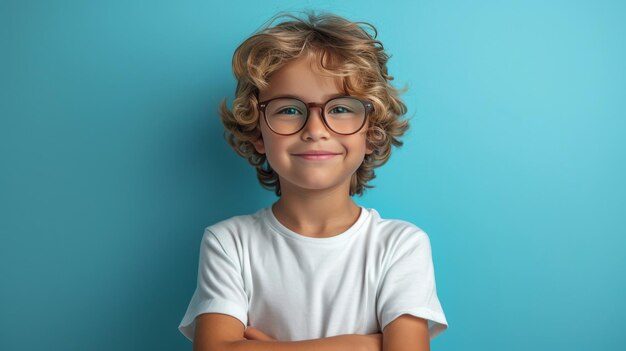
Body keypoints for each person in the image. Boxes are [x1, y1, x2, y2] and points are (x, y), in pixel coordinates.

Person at [178, 11, 448, 351]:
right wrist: (366, 345)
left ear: (371, 132)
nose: (315, 130)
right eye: (289, 109)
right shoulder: (229, 242)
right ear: (257, 132)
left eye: (340, 108)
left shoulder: (400, 245)